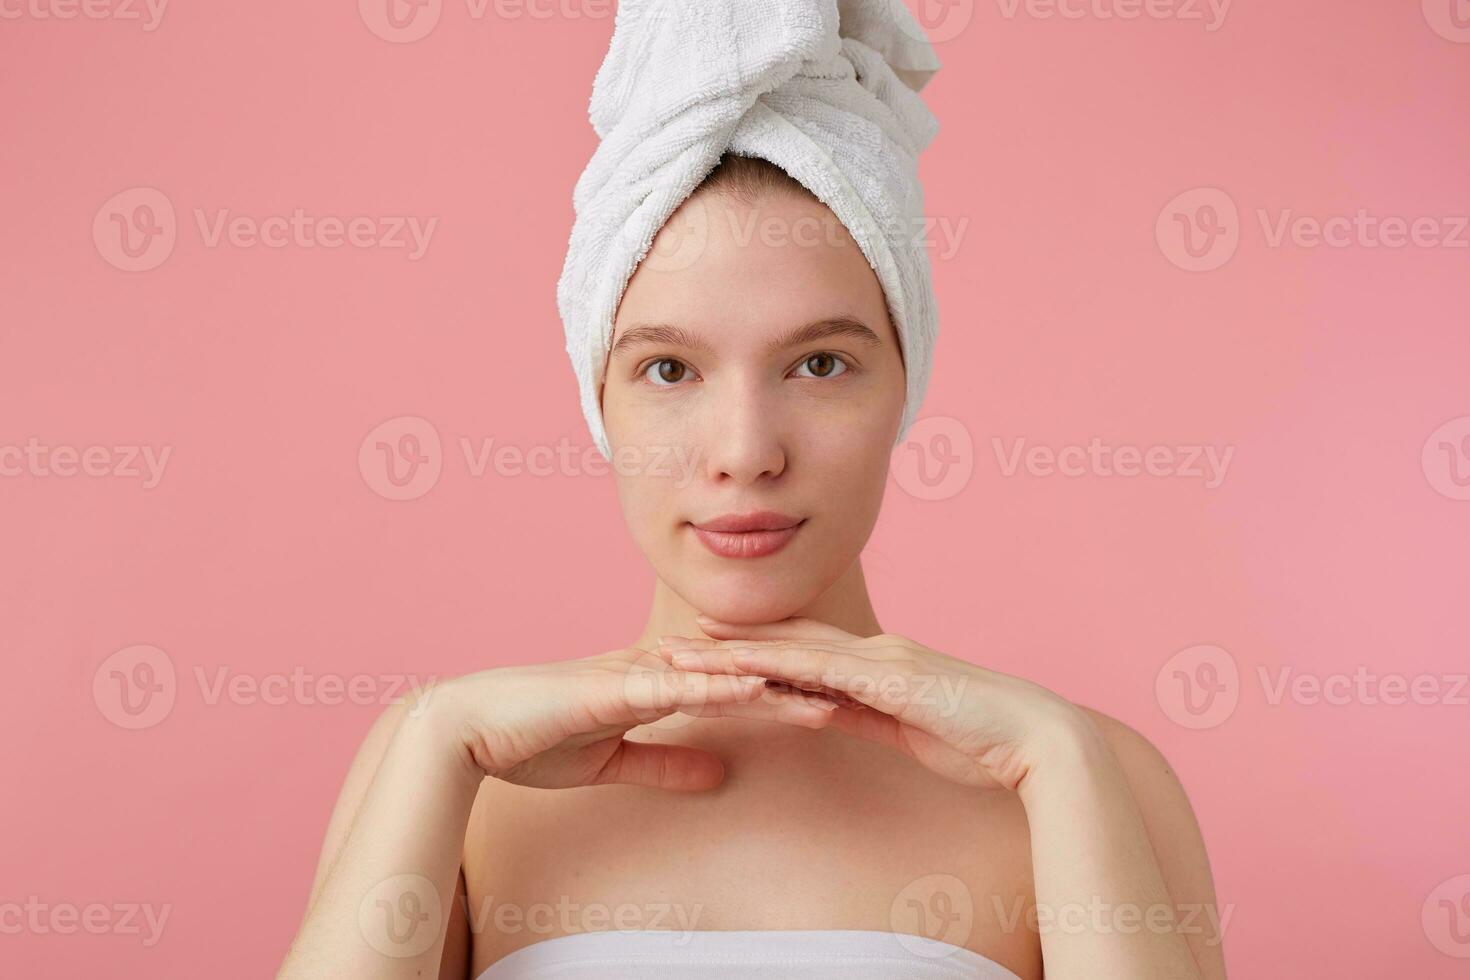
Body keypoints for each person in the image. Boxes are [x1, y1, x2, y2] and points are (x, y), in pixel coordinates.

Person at [279, 2, 1227, 977]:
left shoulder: (1081, 770)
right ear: (597, 396)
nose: (745, 452)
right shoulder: (457, 769)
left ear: (907, 381)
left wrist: (1056, 759)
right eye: (670, 370)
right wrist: (437, 741)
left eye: (818, 364)